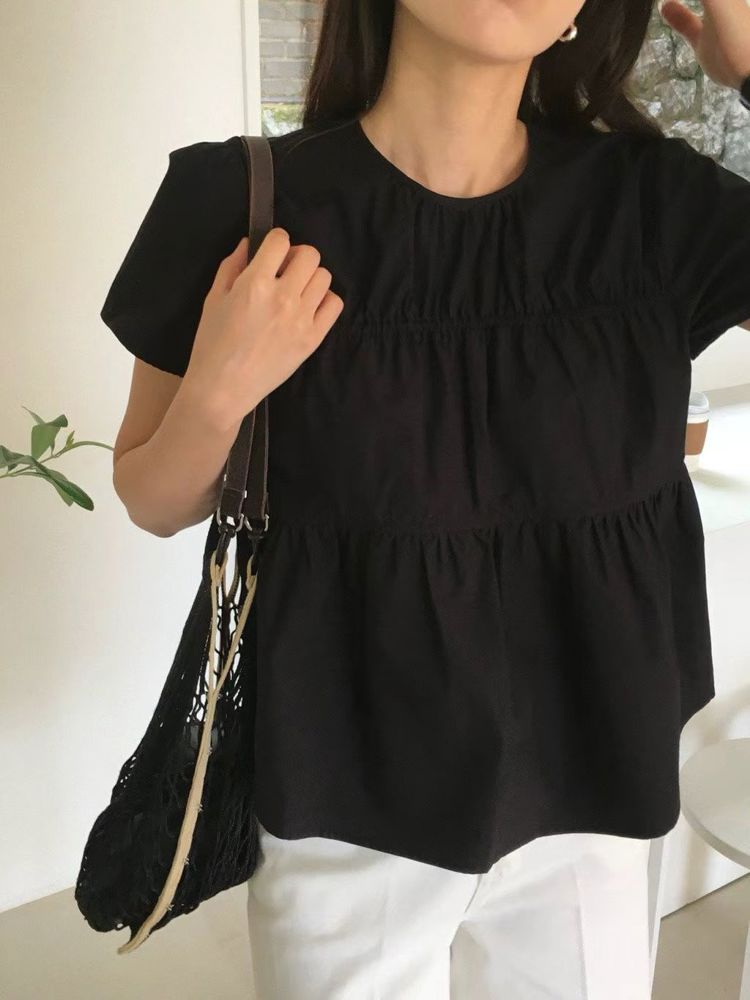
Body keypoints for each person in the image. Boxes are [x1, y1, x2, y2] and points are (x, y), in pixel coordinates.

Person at [99, 1, 750, 996]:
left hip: (593, 798)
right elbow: (151, 496)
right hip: (342, 805)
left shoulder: (654, 206)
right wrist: (222, 387)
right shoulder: (238, 199)